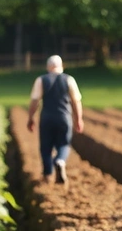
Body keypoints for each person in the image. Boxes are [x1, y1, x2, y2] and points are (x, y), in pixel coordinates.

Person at [26, 55, 84, 184]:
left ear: (48, 67)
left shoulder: (41, 80)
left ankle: (47, 175)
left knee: (45, 147)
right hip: (64, 118)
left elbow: (35, 101)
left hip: (47, 118)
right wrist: (78, 119)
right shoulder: (69, 80)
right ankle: (60, 161)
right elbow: (76, 101)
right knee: (64, 144)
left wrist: (30, 118)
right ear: (61, 66)